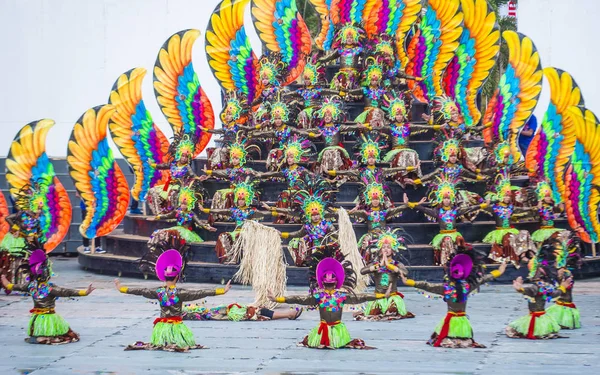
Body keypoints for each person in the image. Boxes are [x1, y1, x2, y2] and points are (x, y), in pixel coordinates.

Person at [115, 250, 231, 352]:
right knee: (184, 343)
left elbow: (141, 291)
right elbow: (201, 292)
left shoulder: (158, 292)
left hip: (161, 329)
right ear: (177, 277)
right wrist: (222, 290)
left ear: (164, 276)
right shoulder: (181, 293)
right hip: (176, 327)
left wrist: (122, 288)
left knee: (161, 343)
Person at [400, 248, 508, 348]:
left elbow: (426, 285)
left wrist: (409, 282)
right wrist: (499, 271)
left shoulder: (450, 287)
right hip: (460, 320)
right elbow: (483, 279)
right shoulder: (465, 286)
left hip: (454, 320)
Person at [268, 257, 384, 349]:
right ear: (322, 283)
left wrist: (381, 295)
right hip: (322, 330)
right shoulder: (319, 296)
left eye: (331, 283)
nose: (329, 286)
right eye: (327, 284)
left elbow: (362, 297)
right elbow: (299, 299)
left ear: (335, 283)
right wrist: (278, 299)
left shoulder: (342, 296)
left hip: (338, 331)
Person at [1, 249, 95, 344]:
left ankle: (41, 337)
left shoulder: (31, 286)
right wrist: (84, 292)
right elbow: (65, 292)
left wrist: (5, 281)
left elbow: (13, 286)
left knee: (42, 336)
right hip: (47, 317)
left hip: (38, 319)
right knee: (59, 335)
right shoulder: (49, 288)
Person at [506, 243, 572, 339]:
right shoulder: (546, 286)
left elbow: (531, 290)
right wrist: (562, 288)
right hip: (543, 318)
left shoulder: (538, 286)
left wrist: (520, 289)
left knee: (511, 329)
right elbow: (554, 294)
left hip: (535, 317)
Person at [354, 229, 414, 321]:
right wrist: (378, 266)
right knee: (375, 313)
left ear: (393, 250)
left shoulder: (397, 264)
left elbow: (405, 273)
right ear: (380, 250)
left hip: (393, 297)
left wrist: (390, 266)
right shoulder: (376, 264)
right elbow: (362, 271)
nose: (386, 249)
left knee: (392, 311)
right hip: (378, 296)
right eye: (383, 247)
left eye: (388, 247)